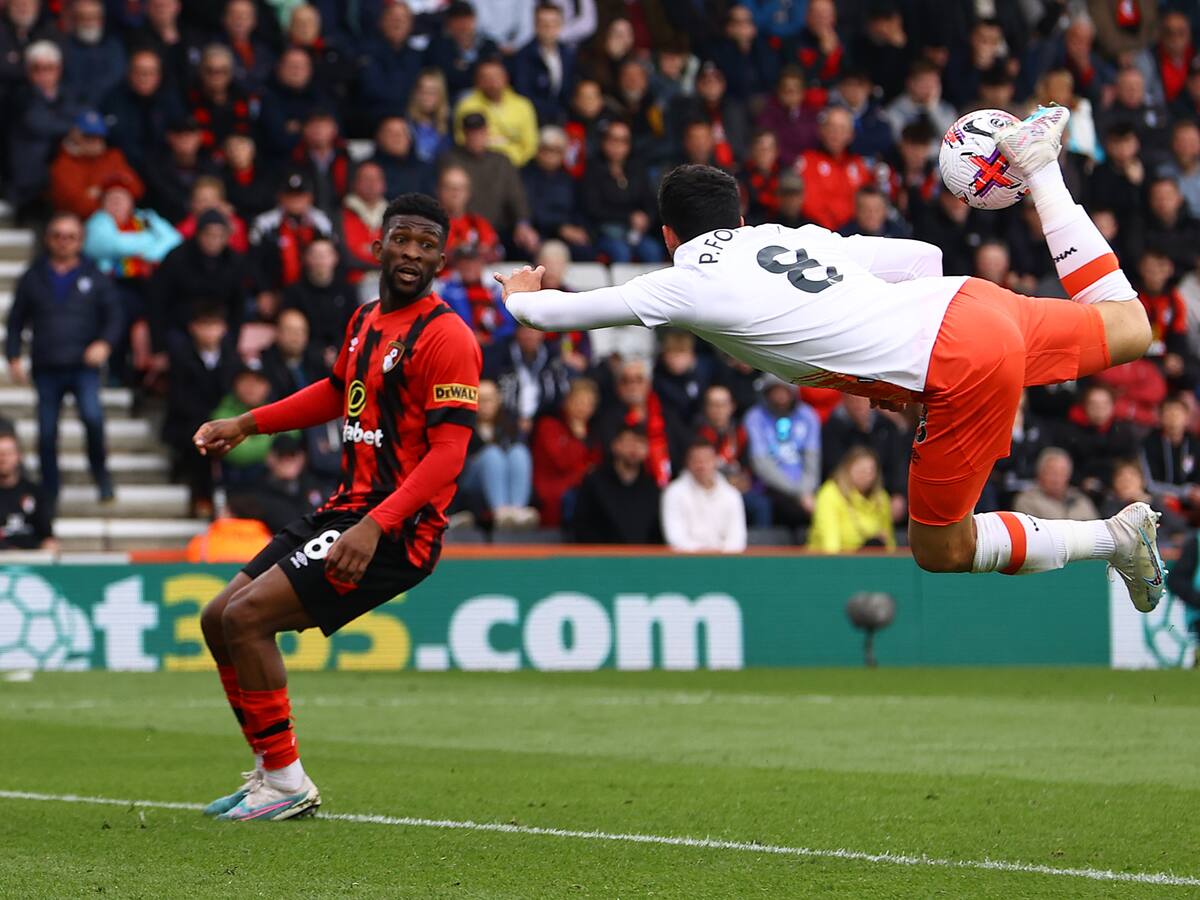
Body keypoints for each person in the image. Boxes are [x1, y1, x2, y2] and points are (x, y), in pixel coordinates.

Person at [499, 107, 1168, 614]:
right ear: (738, 215)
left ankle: (1115, 537)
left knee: (942, 548)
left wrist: (518, 291)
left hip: (956, 361)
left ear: (671, 235)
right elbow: (921, 260)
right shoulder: (787, 235)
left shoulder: (681, 279)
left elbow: (550, 313)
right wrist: (893, 358)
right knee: (1131, 327)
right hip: (966, 301)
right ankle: (1043, 170)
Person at [191, 193, 481, 821]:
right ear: (377, 246)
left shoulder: (449, 337)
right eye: (402, 239)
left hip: (394, 528)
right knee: (218, 619)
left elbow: (448, 455)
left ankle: (288, 782)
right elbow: (335, 391)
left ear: (441, 258)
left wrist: (376, 527)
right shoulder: (364, 321)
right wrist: (248, 422)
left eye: (427, 245)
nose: (412, 253)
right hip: (344, 510)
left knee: (246, 621)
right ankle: (272, 773)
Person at [6, 213, 119, 506]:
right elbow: (16, 319)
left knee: (93, 420)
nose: (63, 242)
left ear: (80, 241)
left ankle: (101, 473)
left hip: (84, 365)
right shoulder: (34, 275)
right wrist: (14, 354)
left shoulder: (94, 275)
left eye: (70, 236)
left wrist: (104, 343)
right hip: (47, 365)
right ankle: (50, 490)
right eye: (57, 235)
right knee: (46, 432)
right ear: (48, 239)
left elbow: (115, 315)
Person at [743, 375, 821, 528]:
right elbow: (762, 464)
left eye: (784, 390)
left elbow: (812, 459)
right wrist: (798, 493)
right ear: (766, 393)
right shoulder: (755, 417)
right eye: (775, 391)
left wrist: (806, 489)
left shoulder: (808, 415)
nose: (780, 396)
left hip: (807, 487)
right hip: (770, 487)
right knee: (790, 509)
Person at [458, 379, 537, 528]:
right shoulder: (464, 425)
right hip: (470, 483)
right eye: (480, 400)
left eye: (489, 399)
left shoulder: (509, 425)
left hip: (506, 481)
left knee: (519, 451)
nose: (485, 404)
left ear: (498, 400)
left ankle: (517, 511)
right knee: (491, 455)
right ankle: (500, 511)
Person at [571, 423, 660, 543]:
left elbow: (656, 532)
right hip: (601, 556)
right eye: (629, 442)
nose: (634, 448)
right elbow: (581, 525)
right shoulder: (594, 482)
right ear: (615, 445)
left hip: (642, 557)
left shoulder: (652, 488)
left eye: (640, 443)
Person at [531, 377, 600, 527]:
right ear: (567, 401)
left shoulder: (594, 433)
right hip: (554, 492)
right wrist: (578, 438)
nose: (582, 408)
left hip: (580, 490)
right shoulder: (548, 426)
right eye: (579, 401)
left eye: (588, 404)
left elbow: (596, 465)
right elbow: (562, 462)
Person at [661, 440, 747, 553]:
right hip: (686, 563)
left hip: (725, 563)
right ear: (688, 463)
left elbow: (737, 539)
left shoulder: (732, 495)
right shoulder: (673, 492)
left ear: (715, 461)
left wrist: (719, 556)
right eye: (696, 460)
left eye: (706, 460)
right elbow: (676, 539)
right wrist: (705, 554)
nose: (701, 465)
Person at [807, 446, 895, 553]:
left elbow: (889, 543)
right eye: (860, 469)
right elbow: (830, 546)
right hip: (830, 564)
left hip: (870, 563)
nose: (866, 475)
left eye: (870, 470)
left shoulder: (882, 498)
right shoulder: (830, 494)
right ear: (847, 469)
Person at [0, 432, 56, 551]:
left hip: (32, 559)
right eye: (0, 454)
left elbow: (47, 536)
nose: (3, 458)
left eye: (8, 454)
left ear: (19, 456)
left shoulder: (35, 492)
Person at [1012, 447, 1100, 521]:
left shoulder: (1081, 500)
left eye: (1062, 473)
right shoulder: (1027, 501)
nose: (1057, 479)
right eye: (1052, 473)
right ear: (1040, 474)